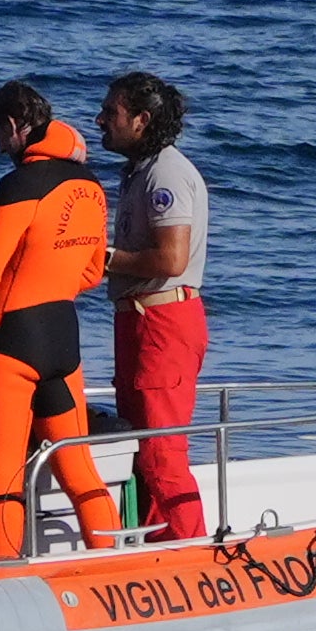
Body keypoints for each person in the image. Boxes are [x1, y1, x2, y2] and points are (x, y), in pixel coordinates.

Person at [0, 81, 127, 560]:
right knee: (79, 470)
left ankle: (4, 583)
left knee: (4, 479)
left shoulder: (22, 184)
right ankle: (112, 567)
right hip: (63, 338)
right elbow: (93, 272)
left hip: (12, 341)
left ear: (14, 127)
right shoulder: (91, 183)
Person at [101, 70, 209, 540]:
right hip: (142, 319)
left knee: (161, 452)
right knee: (141, 449)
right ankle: (159, 542)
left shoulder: (166, 172)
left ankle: (191, 548)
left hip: (162, 319)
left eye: (112, 113)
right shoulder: (141, 172)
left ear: (141, 120)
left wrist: (101, 258)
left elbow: (171, 256)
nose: (101, 120)